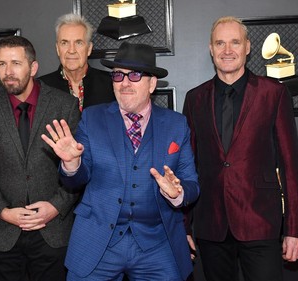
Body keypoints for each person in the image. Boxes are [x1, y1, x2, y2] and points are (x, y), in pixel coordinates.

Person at [42, 42, 200, 281]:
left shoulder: (176, 125)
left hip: (157, 243)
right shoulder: (92, 118)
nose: (124, 83)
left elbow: (192, 184)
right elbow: (77, 179)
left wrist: (176, 193)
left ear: (152, 83)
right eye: (118, 75)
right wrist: (72, 164)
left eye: (135, 75)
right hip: (98, 241)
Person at [182, 16, 298, 281]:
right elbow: (187, 166)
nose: (227, 50)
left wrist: (295, 229)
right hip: (210, 224)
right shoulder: (194, 98)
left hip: (260, 221)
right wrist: (184, 227)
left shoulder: (273, 93)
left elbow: (290, 165)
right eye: (220, 43)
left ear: (248, 47)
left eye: (235, 42)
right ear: (211, 49)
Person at [0, 36, 80, 281]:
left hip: (53, 233)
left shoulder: (65, 106)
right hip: (2, 234)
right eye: (1, 64)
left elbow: (78, 168)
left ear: (33, 67)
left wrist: (55, 207)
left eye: (16, 63)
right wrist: (4, 212)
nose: (8, 72)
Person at [38, 13, 116, 111]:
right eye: (64, 43)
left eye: (78, 43)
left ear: (89, 49)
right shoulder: (41, 87)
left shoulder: (111, 83)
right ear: (58, 49)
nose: (71, 50)